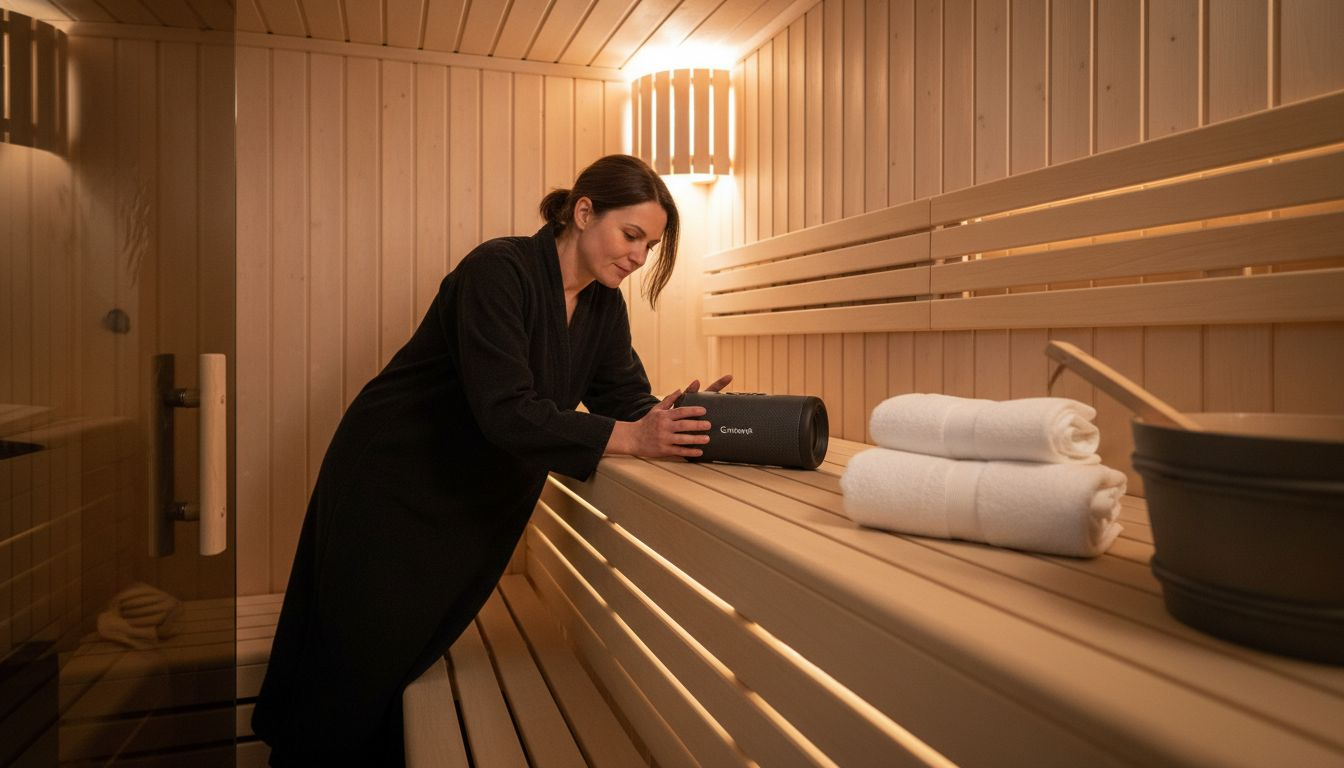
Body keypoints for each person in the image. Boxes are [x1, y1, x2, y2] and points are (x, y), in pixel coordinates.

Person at [251, 154, 732, 765]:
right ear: (583, 213)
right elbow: (505, 410)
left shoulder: (603, 306)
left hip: (470, 500)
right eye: (631, 235)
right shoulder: (498, 271)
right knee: (348, 667)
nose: (639, 257)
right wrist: (634, 438)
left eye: (650, 245)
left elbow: (623, 398)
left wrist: (677, 416)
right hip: (394, 479)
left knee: (401, 660)